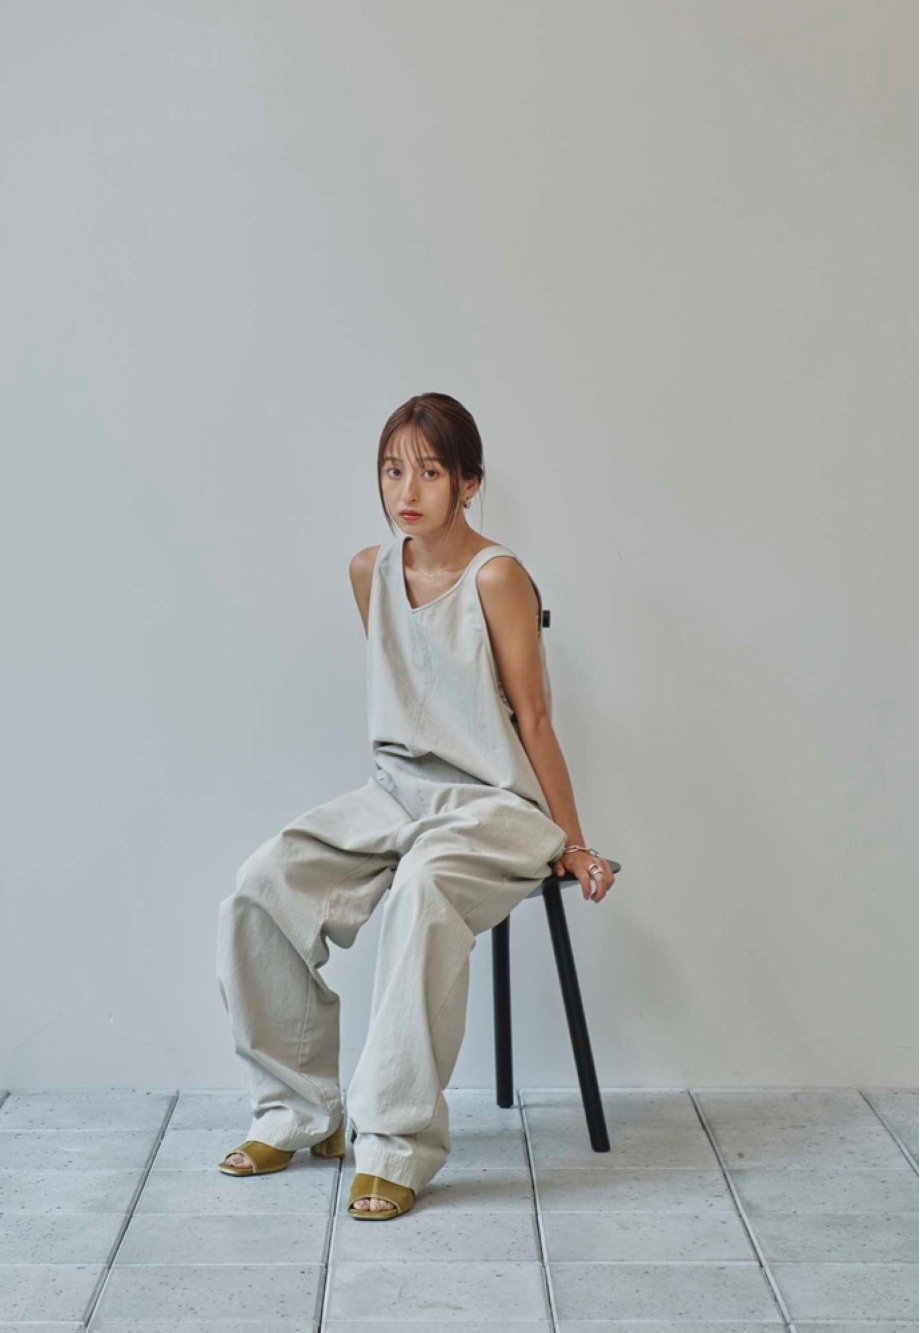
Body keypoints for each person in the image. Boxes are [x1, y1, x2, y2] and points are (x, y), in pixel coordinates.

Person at [215, 391, 615, 1220]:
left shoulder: (498, 577)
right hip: (396, 793)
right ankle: (297, 1109)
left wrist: (573, 841)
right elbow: (415, 693)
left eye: (430, 471)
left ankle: (395, 1142)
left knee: (421, 890)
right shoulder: (369, 570)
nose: (408, 488)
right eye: (393, 469)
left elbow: (533, 718)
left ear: (468, 483)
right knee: (264, 882)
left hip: (493, 804)